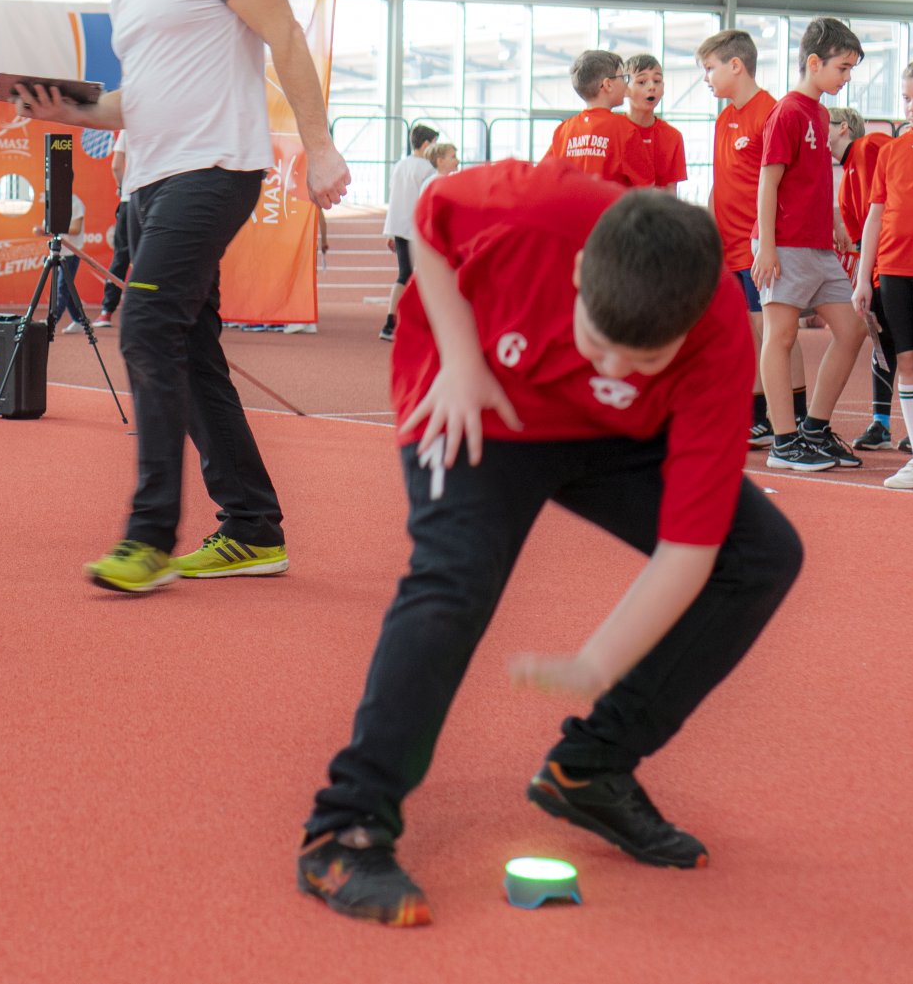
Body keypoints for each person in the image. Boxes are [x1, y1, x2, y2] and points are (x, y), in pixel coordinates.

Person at [297, 160, 801, 928]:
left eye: (645, 359)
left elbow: (689, 550)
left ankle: (591, 766)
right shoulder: (535, 207)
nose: (613, 367)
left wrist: (598, 660)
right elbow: (428, 222)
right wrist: (461, 359)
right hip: (482, 399)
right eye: (600, 341)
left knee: (762, 554)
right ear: (576, 272)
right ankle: (347, 824)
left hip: (617, 438)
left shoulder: (720, 331)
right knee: (453, 580)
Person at [20, 0, 349, 593]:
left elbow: (286, 36)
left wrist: (319, 147)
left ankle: (148, 537)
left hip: (215, 169)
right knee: (193, 355)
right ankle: (253, 528)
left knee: (145, 328)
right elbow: (134, 101)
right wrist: (64, 107)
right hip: (151, 180)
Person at [752, 17, 867, 472]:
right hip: (786, 245)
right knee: (780, 337)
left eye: (852, 68)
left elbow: (813, 181)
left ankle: (814, 428)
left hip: (819, 246)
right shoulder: (788, 112)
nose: (847, 77)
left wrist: (837, 222)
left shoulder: (821, 113)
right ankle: (784, 440)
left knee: (853, 330)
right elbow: (768, 182)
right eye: (842, 67)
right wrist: (767, 246)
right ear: (814, 62)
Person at [701, 28, 806, 448]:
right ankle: (760, 415)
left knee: (775, 331)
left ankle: (795, 416)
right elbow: (721, 181)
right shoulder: (725, 118)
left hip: (760, 246)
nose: (706, 78)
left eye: (709, 69)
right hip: (728, 246)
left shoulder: (772, 112)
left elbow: (783, 186)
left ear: (735, 65)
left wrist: (770, 243)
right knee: (749, 332)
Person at [852, 52, 913, 488]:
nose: (912, 109)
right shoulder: (891, 151)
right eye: (907, 99)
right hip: (894, 267)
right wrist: (864, 277)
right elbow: (875, 215)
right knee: (905, 360)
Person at [832, 107, 899, 451]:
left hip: (902, 258)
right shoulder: (845, 181)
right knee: (882, 341)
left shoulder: (870, 145)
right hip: (876, 267)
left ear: (842, 127)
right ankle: (881, 422)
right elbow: (860, 238)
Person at [542, 52, 645, 185]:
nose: (626, 84)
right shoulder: (626, 131)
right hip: (613, 205)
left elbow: (544, 175)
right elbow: (645, 186)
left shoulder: (563, 130)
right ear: (608, 84)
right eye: (623, 78)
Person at [380, 124, 440, 343]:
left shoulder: (400, 165)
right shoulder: (428, 170)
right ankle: (415, 324)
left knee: (404, 274)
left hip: (399, 226)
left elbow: (394, 197)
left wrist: (390, 231)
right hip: (416, 227)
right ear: (426, 144)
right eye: (434, 143)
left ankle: (390, 322)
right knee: (418, 276)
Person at [624, 53, 688, 193]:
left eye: (657, 81)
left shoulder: (673, 136)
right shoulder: (614, 132)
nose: (652, 87)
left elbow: (671, 192)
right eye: (642, 82)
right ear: (625, 89)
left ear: (663, 87)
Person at [96, 132, 131, 328]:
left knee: (121, 257)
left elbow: (116, 165)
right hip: (155, 198)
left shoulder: (128, 128)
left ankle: (106, 312)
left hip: (130, 199)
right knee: (151, 257)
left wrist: (121, 186)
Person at [46, 193, 90, 335]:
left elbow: (76, 229)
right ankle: (79, 320)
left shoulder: (75, 203)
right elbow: (47, 227)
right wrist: (44, 230)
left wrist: (55, 228)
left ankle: (50, 323)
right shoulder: (55, 201)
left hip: (71, 254)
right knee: (67, 288)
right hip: (58, 252)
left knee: (62, 289)